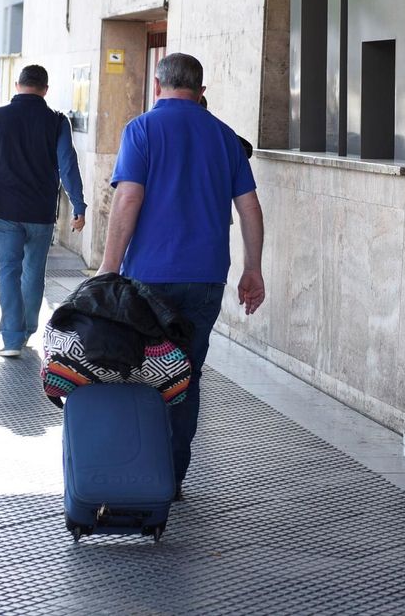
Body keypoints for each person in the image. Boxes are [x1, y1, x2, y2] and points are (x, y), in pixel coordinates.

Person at [98, 53, 265, 497]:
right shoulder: (225, 136)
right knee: (185, 376)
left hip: (147, 279)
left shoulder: (141, 130)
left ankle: (139, 472)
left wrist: (108, 268)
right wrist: (253, 269)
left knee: (141, 372)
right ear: (201, 90)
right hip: (206, 277)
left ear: (157, 86)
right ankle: (171, 479)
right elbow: (249, 207)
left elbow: (127, 200)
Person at [0, 64, 86, 357]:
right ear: (45, 90)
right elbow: (68, 165)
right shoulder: (57, 121)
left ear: (17, 86)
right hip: (42, 212)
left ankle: (11, 338)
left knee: (8, 270)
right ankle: (28, 330)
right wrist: (79, 205)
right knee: (34, 271)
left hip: (6, 209)